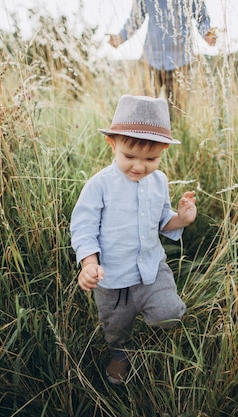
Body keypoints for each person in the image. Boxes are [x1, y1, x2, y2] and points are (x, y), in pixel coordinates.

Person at [70, 94, 197, 384]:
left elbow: (162, 220)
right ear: (112, 144)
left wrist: (182, 218)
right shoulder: (100, 185)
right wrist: (89, 264)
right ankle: (119, 355)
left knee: (170, 315)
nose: (139, 167)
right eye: (129, 157)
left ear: (163, 150)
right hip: (113, 278)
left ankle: (158, 323)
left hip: (152, 270)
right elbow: (84, 227)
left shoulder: (159, 181)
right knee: (116, 326)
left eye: (151, 159)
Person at [107, 0, 217, 117]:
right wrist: (120, 37)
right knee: (143, 112)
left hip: (181, 61)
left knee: (177, 115)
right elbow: (135, 18)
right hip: (151, 59)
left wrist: (207, 33)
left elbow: (202, 17)